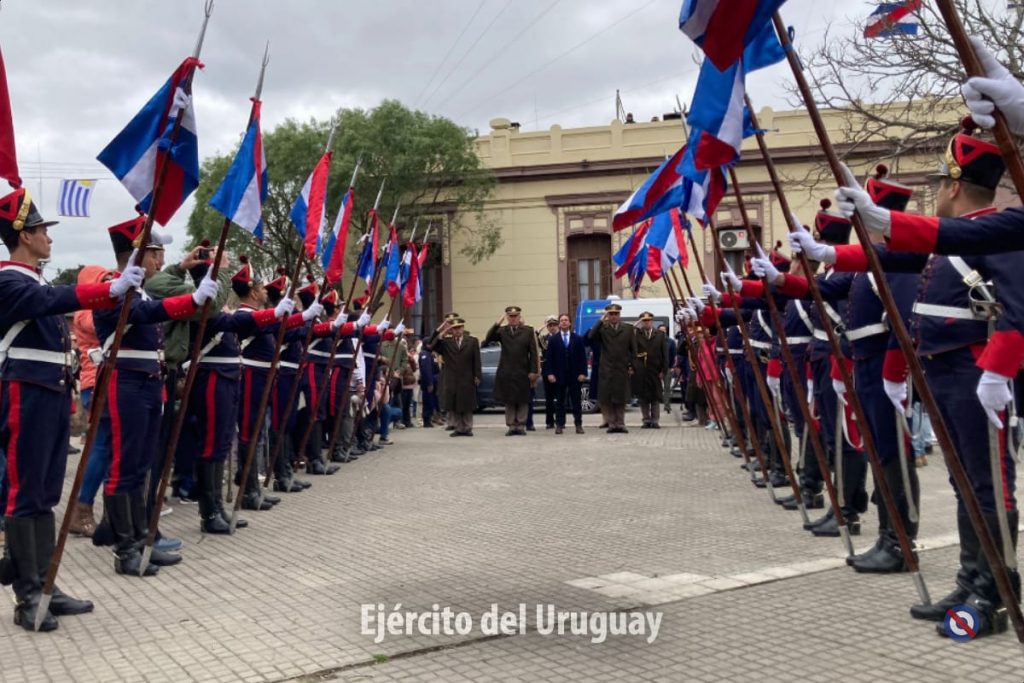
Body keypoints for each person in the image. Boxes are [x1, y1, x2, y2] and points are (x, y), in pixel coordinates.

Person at [795, 120, 1022, 638]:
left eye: (941, 184)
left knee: (989, 485)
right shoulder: (957, 237)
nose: (937, 193)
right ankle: (972, 578)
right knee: (964, 483)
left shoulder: (999, 232)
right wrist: (828, 254)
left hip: (975, 370)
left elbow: (1018, 308)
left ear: (954, 186)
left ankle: (997, 592)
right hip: (944, 369)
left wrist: (998, 370)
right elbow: (886, 255)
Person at [0, 187, 139, 631]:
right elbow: (51, 302)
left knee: (44, 492)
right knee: (26, 491)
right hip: (25, 393)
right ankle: (28, 597)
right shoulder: (8, 280)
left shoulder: (33, 280)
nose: (50, 237)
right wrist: (106, 291)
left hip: (49, 393)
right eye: (42, 230)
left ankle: (45, 584)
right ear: (23, 235)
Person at [92, 215, 218, 576]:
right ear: (134, 255)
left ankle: (140, 538)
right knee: (124, 465)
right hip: (126, 381)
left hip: (147, 382)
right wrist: (191, 300)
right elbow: (146, 313)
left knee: (141, 465)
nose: (158, 260)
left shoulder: (141, 290)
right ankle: (126, 549)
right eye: (152, 253)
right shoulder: (112, 289)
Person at [68, 266, 114, 538]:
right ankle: (81, 509)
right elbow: (101, 322)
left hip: (106, 381)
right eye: (104, 280)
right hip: (95, 383)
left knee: (108, 447)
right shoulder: (85, 311)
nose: (109, 284)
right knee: (101, 446)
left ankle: (110, 511)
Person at [485, 306, 540, 436]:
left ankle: (520, 426)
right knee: (509, 400)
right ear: (507, 318)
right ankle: (511, 426)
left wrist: (534, 370)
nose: (513, 319)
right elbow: (489, 338)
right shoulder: (502, 331)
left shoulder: (528, 331)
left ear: (519, 317)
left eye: (515, 316)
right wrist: (497, 323)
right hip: (507, 371)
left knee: (522, 400)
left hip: (523, 371)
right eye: (510, 316)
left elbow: (533, 352)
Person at [586, 303, 636, 433]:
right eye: (611, 314)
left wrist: (632, 365)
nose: (613, 316)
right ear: (608, 316)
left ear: (619, 315)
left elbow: (633, 349)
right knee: (609, 398)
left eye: (616, 314)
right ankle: (612, 424)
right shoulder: (603, 329)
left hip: (622, 368)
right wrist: (600, 321)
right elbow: (590, 336)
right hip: (607, 368)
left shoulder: (628, 329)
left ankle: (621, 423)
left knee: (621, 398)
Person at [426, 318, 481, 436]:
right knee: (455, 403)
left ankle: (467, 428)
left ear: (463, 328)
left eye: (459, 328)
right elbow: (431, 346)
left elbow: (477, 359)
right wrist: (441, 333)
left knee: (467, 403)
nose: (457, 330)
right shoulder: (446, 342)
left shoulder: (472, 341)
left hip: (467, 376)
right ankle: (458, 428)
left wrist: (477, 375)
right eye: (454, 328)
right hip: (452, 377)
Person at [543, 313, 587, 434]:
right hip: (559, 375)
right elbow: (549, 358)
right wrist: (550, 373)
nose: (563, 322)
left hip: (575, 375)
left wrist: (583, 373)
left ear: (570, 323)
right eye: (561, 320)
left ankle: (578, 424)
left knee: (576, 401)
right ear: (559, 323)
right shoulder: (553, 339)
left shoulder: (577, 338)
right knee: (560, 402)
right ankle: (559, 424)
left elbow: (582, 358)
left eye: (566, 320)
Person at [632, 312, 669, 429]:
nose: (646, 323)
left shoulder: (660, 335)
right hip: (641, 370)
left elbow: (665, 354)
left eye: (648, 320)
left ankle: (655, 420)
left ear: (652, 321)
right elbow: (632, 350)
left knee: (655, 397)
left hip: (655, 370)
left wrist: (664, 370)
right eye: (644, 321)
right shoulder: (636, 334)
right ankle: (646, 420)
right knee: (643, 397)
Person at [539, 315, 559, 429]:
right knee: (549, 399)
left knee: (560, 398)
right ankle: (549, 421)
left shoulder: (562, 337)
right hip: (547, 371)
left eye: (554, 325)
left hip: (559, 371)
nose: (552, 327)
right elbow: (534, 337)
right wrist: (540, 328)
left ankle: (560, 420)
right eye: (550, 325)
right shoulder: (544, 339)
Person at [659, 324, 676, 415]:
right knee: (656, 387)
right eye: (660, 330)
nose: (662, 332)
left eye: (664, 330)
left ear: (666, 331)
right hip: (657, 368)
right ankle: (655, 405)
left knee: (667, 388)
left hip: (668, 368)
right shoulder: (654, 341)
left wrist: (672, 366)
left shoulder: (671, 342)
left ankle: (667, 405)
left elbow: (673, 355)